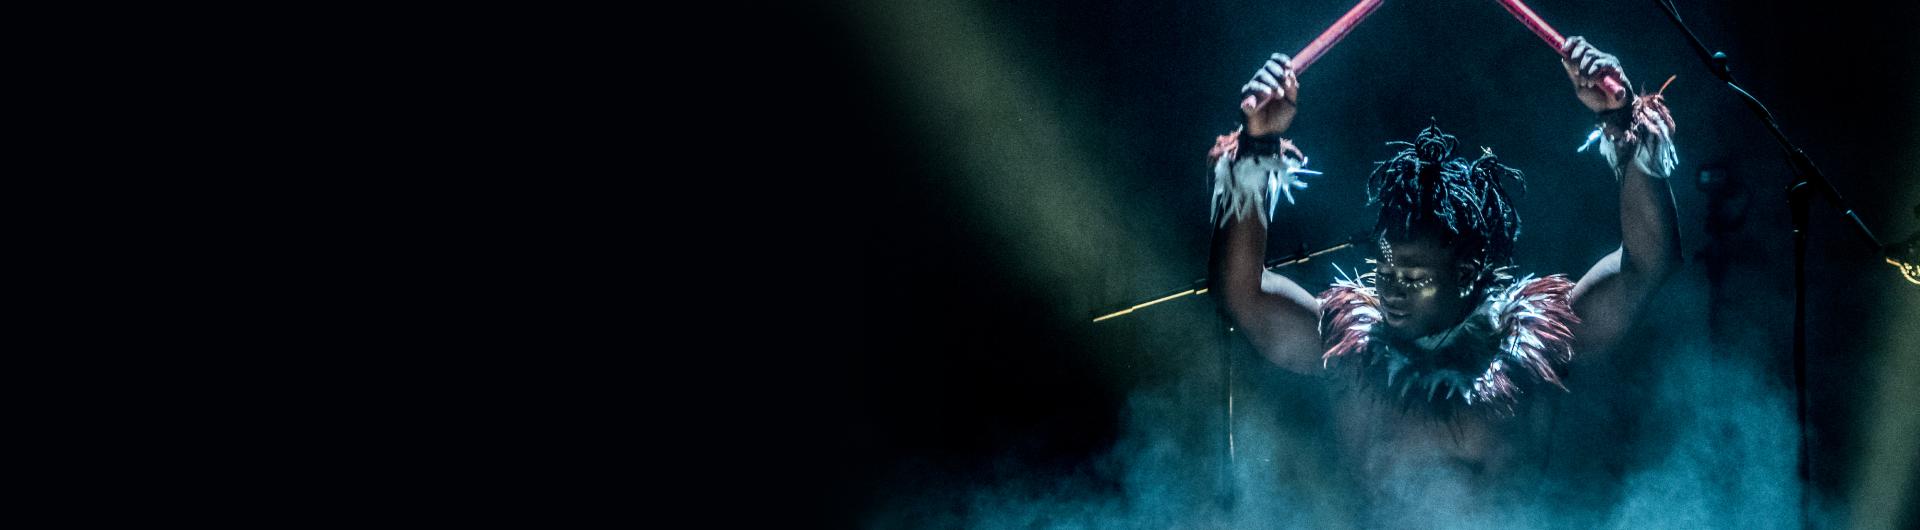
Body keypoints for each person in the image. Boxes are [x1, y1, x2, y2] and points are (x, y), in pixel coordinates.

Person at [1205, 37, 1681, 515]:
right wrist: (1257, 144)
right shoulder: (1352, 353)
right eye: (1385, 270)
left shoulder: (1530, 349)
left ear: (1467, 273)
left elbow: (1644, 266)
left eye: (1413, 277)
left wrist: (1621, 121)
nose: (1390, 289)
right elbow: (1244, 295)